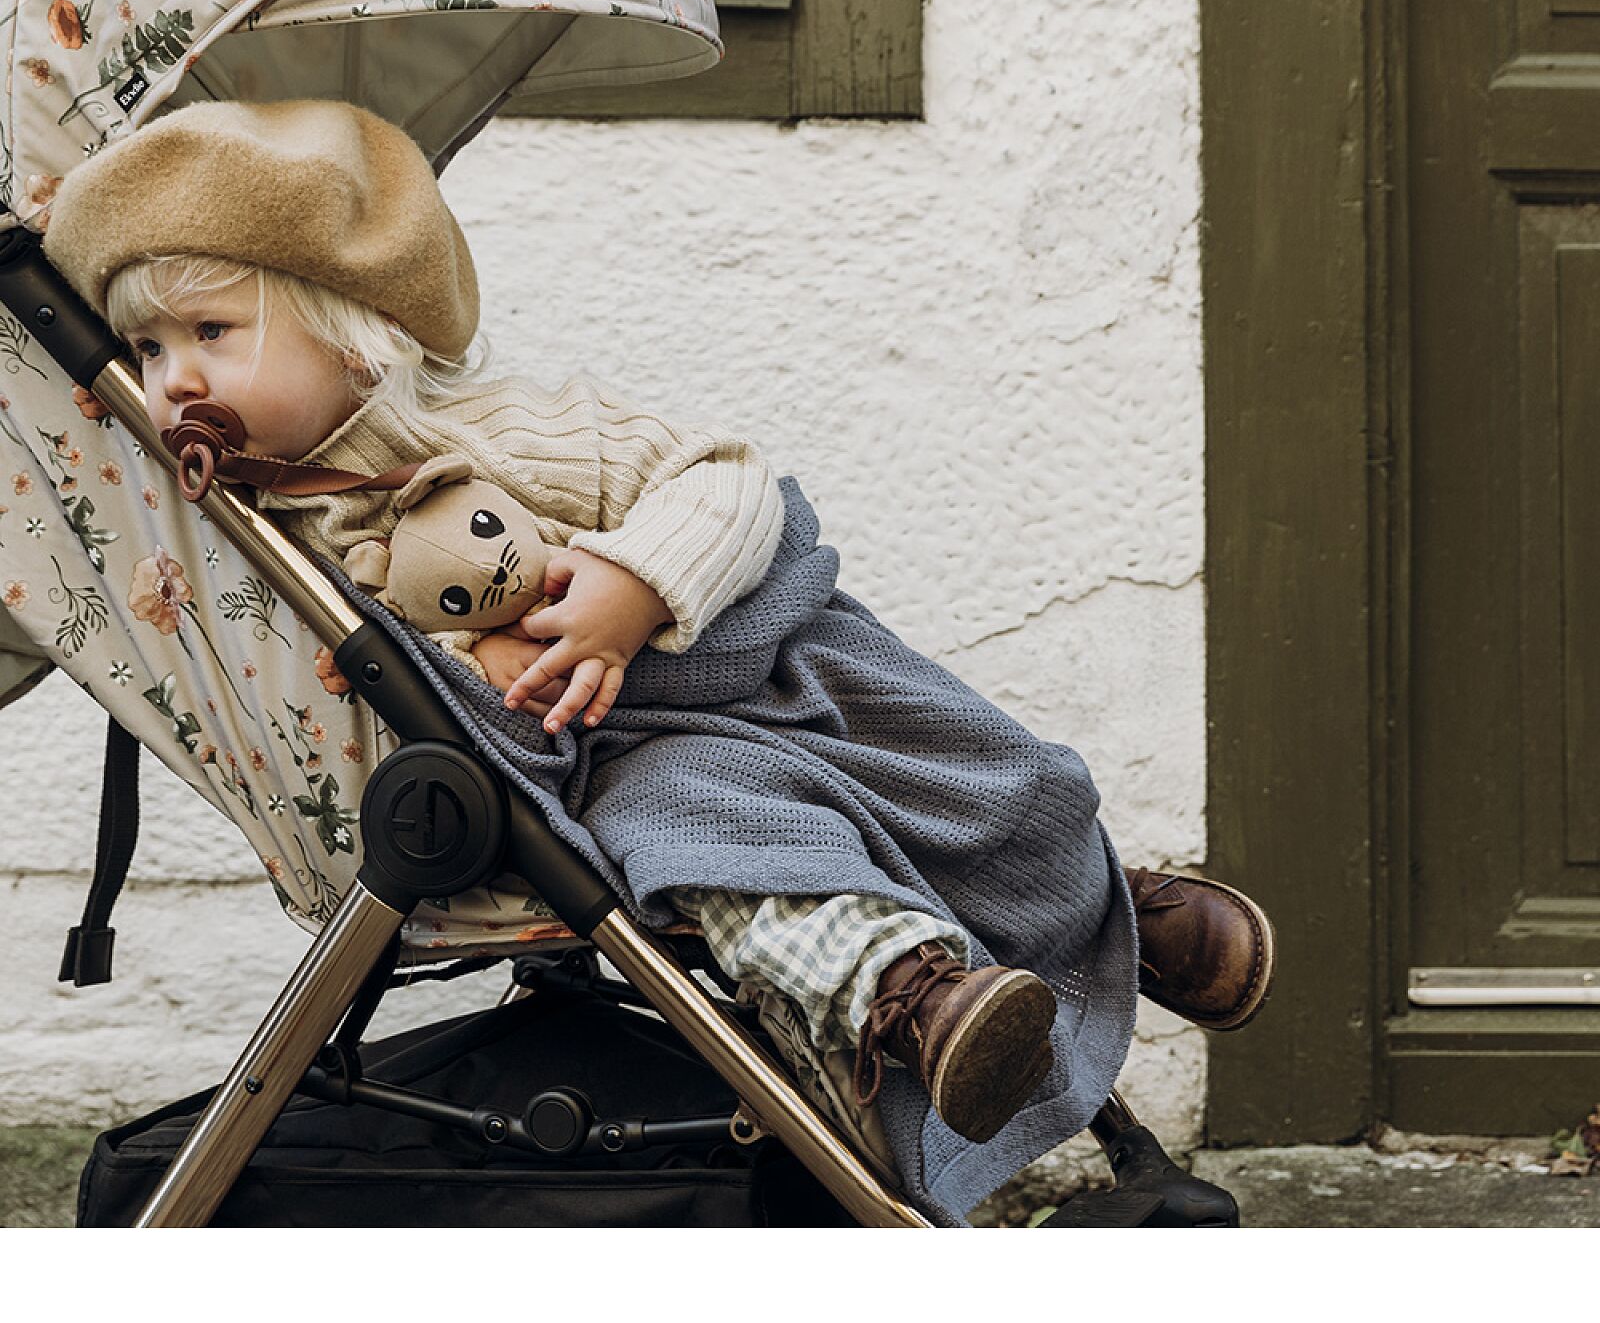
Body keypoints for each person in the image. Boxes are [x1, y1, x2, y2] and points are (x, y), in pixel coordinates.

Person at [42, 98, 1273, 1158]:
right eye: (147, 347)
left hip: (738, 675)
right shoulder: (269, 548)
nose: (173, 378)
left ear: (357, 328)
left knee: (933, 739)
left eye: (212, 332)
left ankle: (1101, 902)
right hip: (612, 771)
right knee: (711, 834)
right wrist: (472, 661)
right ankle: (913, 1000)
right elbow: (363, 686)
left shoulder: (511, 432)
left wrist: (634, 586)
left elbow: (725, 478)